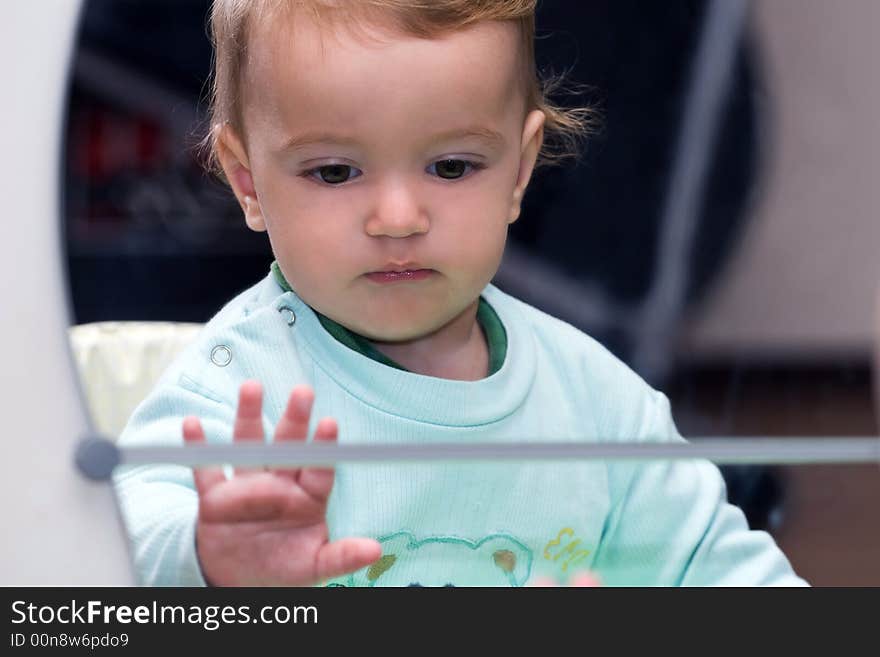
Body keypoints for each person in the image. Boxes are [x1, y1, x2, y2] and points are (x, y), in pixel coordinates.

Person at [113, 0, 806, 587]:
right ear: (247, 183)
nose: (397, 217)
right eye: (333, 172)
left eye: (451, 166)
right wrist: (211, 556)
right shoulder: (234, 391)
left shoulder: (595, 401)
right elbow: (102, 552)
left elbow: (725, 573)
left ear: (519, 171)